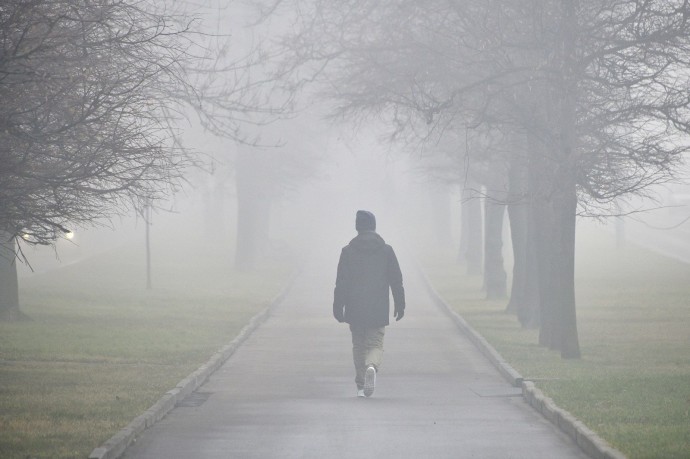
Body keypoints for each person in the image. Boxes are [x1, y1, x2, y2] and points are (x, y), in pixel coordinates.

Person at [333, 210, 405, 398]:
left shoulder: (347, 251)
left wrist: (337, 306)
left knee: (358, 344)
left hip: (354, 306)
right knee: (375, 343)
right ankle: (371, 366)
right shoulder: (386, 250)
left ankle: (360, 384)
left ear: (357, 227)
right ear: (373, 226)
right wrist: (400, 302)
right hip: (378, 306)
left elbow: (341, 281)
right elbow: (396, 279)